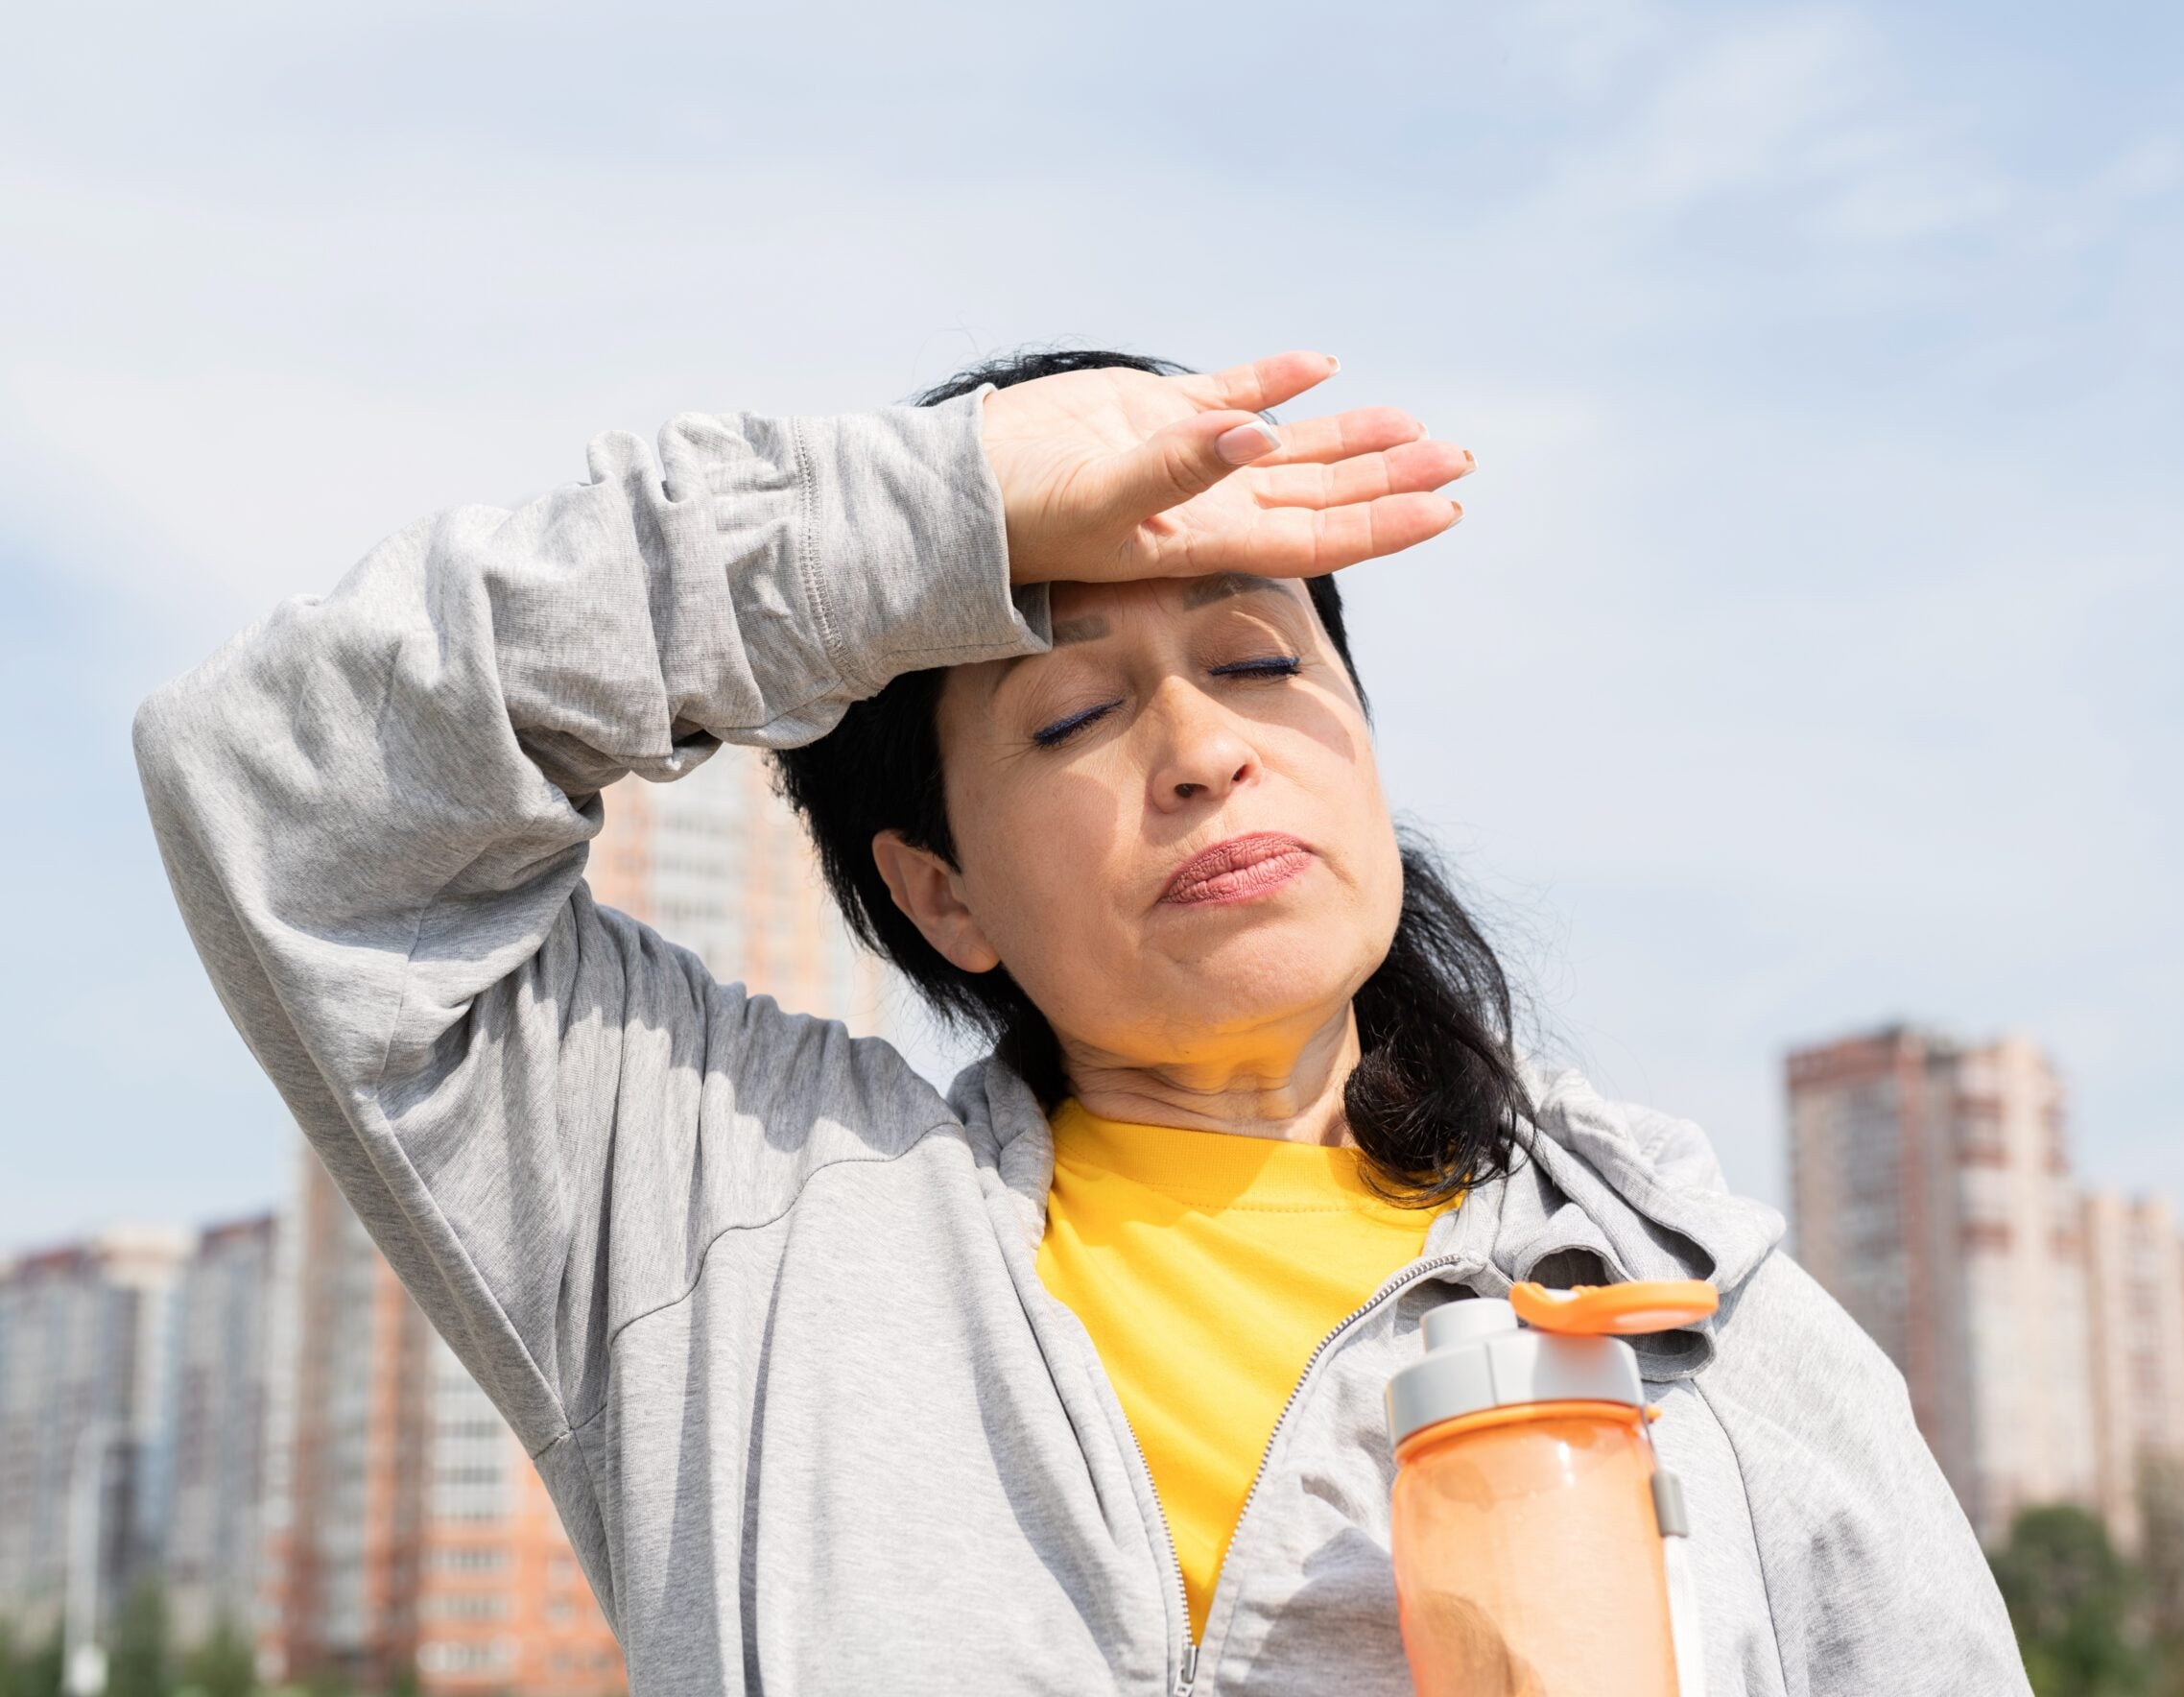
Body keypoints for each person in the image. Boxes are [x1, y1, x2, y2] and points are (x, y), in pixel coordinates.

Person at [136, 347, 2027, 1695]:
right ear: (938, 884)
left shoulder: (1693, 1308)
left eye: (1256, 658)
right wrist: (928, 515)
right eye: (1069, 713)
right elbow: (283, 791)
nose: (1201, 748)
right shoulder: (735, 1221)